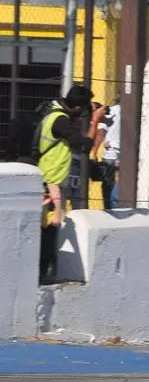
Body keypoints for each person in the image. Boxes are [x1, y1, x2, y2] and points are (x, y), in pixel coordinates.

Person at [37, 84, 105, 280]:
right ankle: (46, 270)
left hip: (49, 177)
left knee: (49, 225)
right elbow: (84, 145)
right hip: (52, 180)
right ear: (77, 108)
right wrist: (94, 121)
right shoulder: (61, 121)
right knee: (53, 225)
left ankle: (46, 267)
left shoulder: (53, 113)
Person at [92, 100, 121, 210]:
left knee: (110, 185)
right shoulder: (104, 119)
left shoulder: (112, 111)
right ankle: (111, 207)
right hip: (117, 153)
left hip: (115, 153)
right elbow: (100, 133)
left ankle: (111, 208)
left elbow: (100, 134)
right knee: (112, 183)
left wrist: (94, 154)